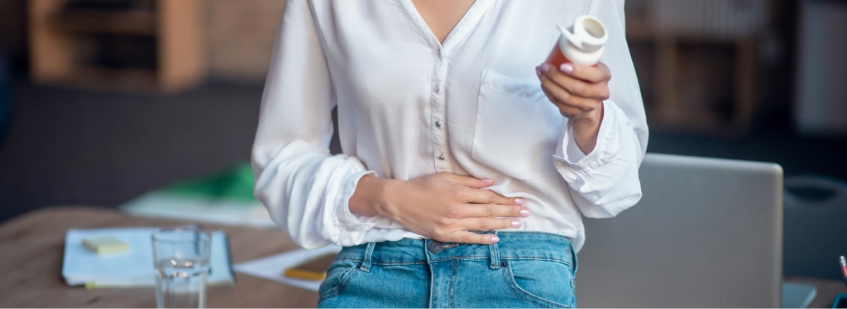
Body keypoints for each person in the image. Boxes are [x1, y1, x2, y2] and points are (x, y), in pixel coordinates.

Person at [252, 0, 647, 307]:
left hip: (521, 273)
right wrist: (387, 197)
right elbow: (281, 160)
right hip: (373, 267)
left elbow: (617, 189)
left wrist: (588, 117)